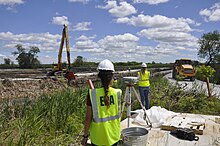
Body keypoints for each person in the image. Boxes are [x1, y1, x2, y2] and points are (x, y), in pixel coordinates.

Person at [81, 59, 122, 146]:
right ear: (112, 77)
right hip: (114, 136)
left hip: (98, 139)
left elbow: (88, 118)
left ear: (99, 77)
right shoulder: (118, 92)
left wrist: (85, 136)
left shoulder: (92, 94)